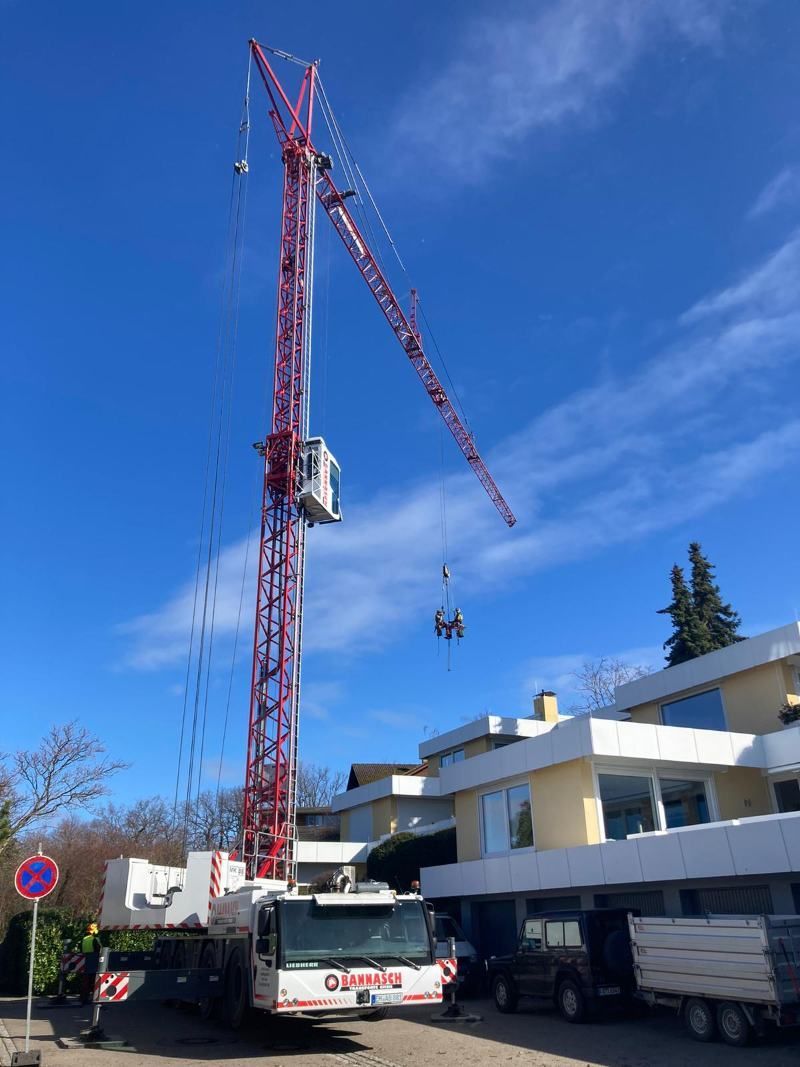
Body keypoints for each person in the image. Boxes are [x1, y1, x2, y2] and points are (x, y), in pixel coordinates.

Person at [79, 922, 102, 1004]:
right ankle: (94, 999)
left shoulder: (84, 939)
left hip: (85, 962)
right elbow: (99, 951)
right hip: (94, 962)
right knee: (93, 982)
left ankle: (83, 998)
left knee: (85, 982)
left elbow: (81, 950)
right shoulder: (95, 939)